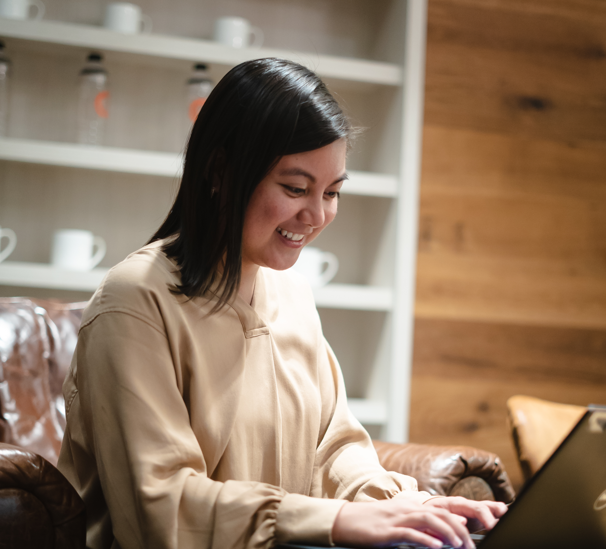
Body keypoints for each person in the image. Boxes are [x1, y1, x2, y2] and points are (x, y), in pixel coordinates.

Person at [58, 58, 506, 549]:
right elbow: (160, 504)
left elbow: (335, 450)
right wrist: (333, 520)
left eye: (332, 192)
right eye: (295, 189)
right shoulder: (134, 302)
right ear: (220, 172)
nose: (315, 216)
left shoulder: (291, 295)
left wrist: (407, 505)